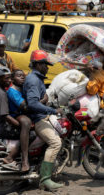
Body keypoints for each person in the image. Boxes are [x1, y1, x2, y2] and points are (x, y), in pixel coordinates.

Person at [23, 50, 63, 191]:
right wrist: (53, 110)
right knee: (55, 143)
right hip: (37, 118)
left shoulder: (37, 78)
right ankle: (45, 179)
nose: (47, 68)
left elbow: (41, 99)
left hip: (41, 115)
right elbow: (33, 104)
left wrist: (48, 102)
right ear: (38, 64)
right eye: (45, 65)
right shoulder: (33, 80)